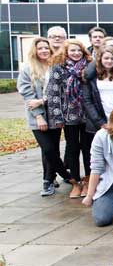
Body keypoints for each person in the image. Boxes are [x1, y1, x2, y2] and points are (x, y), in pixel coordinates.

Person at [18, 37, 71, 195]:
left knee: (53, 148)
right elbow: (28, 96)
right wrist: (38, 116)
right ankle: (65, 175)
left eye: (46, 48)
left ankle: (48, 180)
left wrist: (42, 100)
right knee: (47, 149)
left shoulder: (55, 67)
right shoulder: (28, 69)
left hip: (54, 115)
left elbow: (60, 91)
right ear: (35, 51)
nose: (44, 51)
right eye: (40, 48)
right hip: (38, 117)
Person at [45, 39, 93, 198]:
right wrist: (56, 116)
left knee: (88, 149)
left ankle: (87, 181)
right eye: (73, 50)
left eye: (79, 50)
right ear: (66, 52)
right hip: (68, 115)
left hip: (87, 115)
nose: (76, 53)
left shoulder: (88, 66)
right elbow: (53, 93)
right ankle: (75, 182)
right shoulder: (58, 68)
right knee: (72, 149)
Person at [82, 47, 113, 141]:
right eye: (106, 58)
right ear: (100, 59)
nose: (109, 61)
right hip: (98, 120)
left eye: (112, 58)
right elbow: (87, 101)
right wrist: (100, 122)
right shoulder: (91, 77)